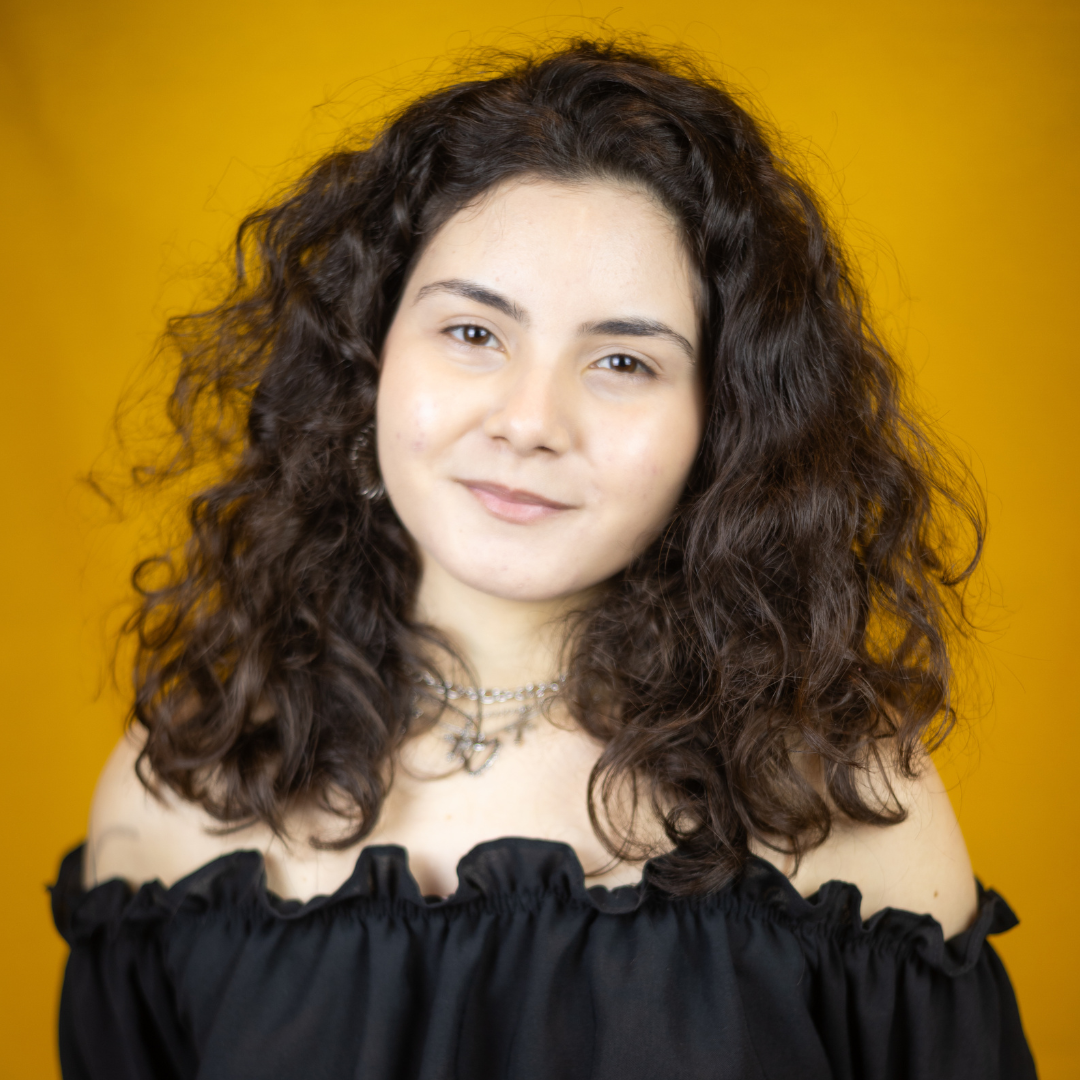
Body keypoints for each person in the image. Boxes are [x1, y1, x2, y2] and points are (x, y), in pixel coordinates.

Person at [50, 38, 1036, 1079]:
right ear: (368, 356)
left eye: (623, 360)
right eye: (474, 333)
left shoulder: (844, 796)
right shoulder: (177, 797)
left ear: (724, 422)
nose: (529, 422)